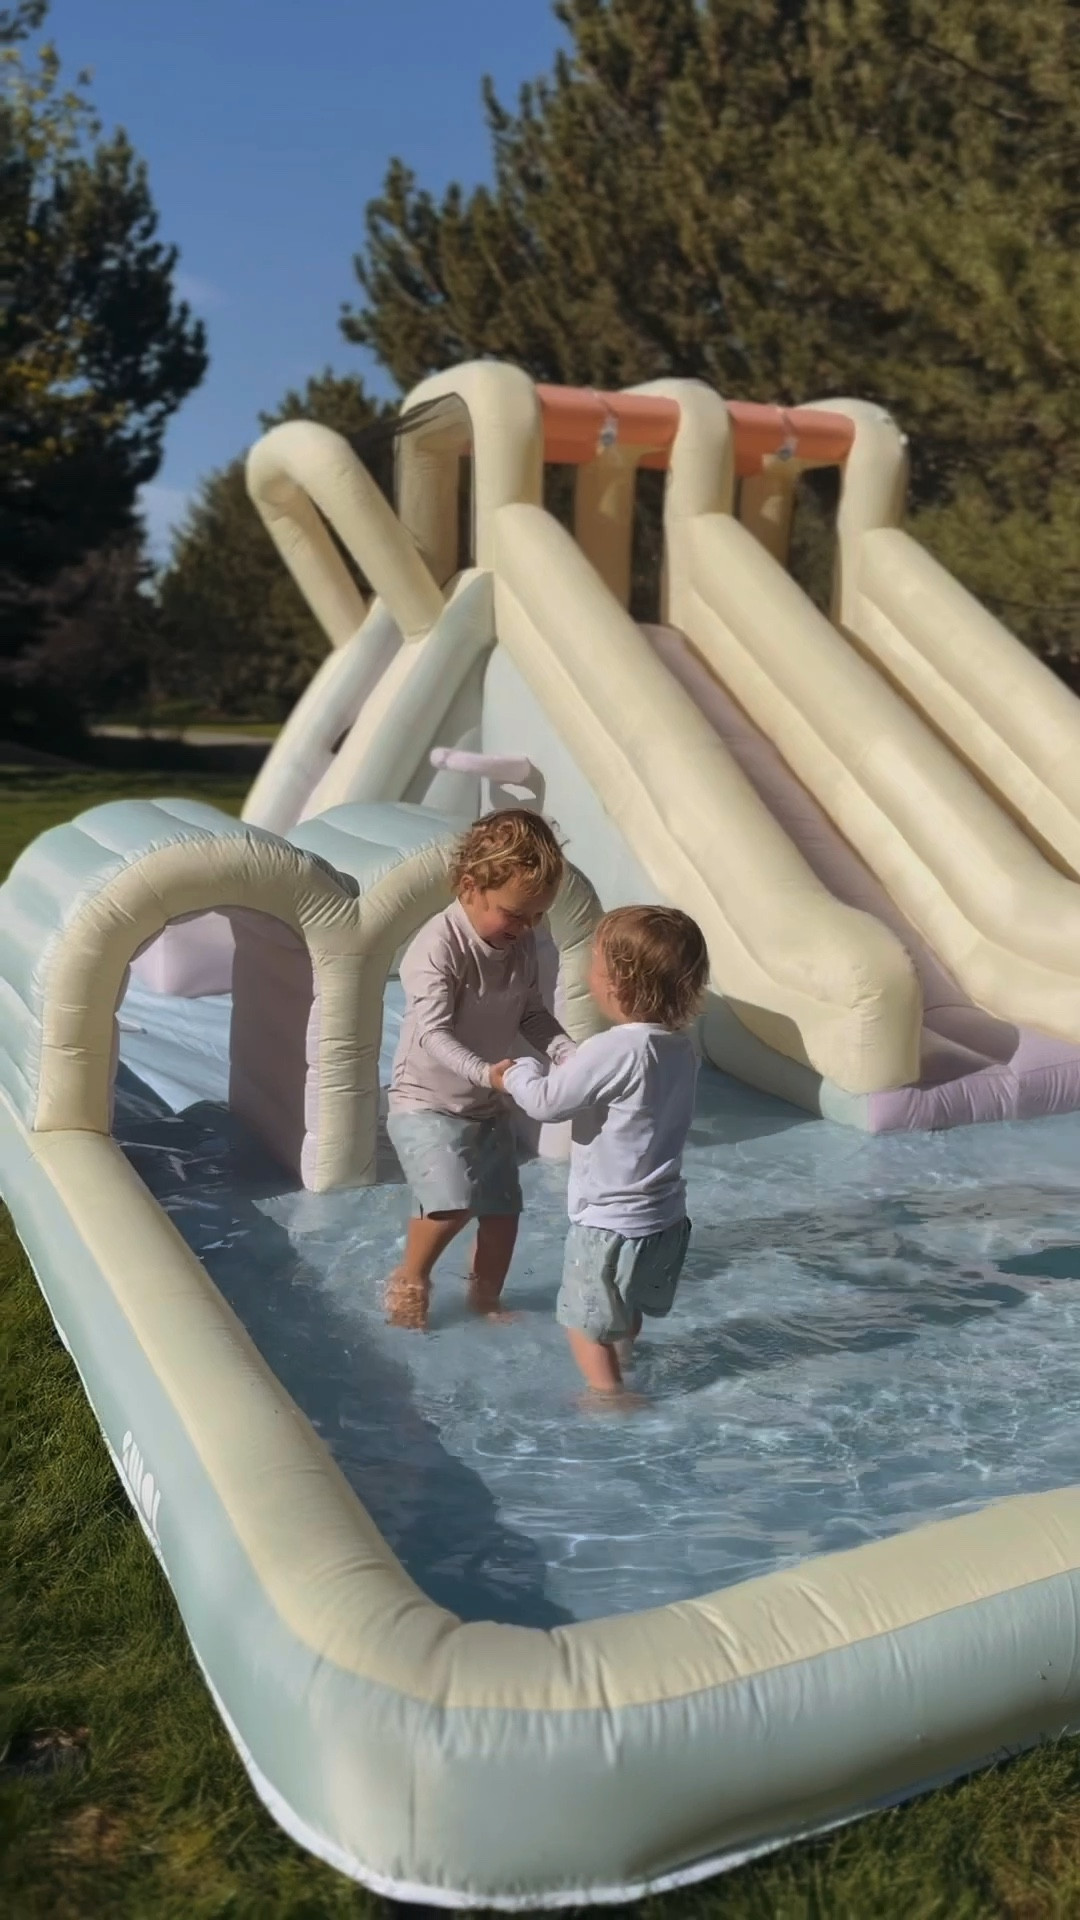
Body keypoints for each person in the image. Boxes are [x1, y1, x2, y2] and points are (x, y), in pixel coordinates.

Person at [494, 905, 708, 1398]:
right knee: (624, 1305)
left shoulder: (613, 1048)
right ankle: (625, 1359)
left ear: (617, 983)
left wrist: (519, 1072)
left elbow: (547, 1103)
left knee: (583, 1324)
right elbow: (625, 1090)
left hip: (608, 1223)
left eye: (594, 961)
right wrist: (572, 1059)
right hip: (662, 1219)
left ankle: (610, 1399)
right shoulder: (680, 1049)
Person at [384, 808, 574, 1330]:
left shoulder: (521, 943)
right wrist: (487, 1072)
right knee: (451, 1204)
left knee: (502, 1214)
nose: (527, 927)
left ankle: (484, 1299)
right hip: (424, 1101)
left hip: (485, 1105)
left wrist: (566, 1052)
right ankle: (411, 1279)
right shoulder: (437, 947)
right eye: (515, 914)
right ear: (470, 887)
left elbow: (531, 1013)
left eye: (537, 916)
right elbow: (433, 1033)